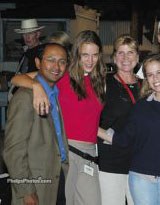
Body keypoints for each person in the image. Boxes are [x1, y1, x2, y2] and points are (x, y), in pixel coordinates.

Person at [10, 30, 106, 205]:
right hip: (66, 151)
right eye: (85, 54)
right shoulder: (62, 75)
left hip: (90, 154)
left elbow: (90, 120)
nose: (90, 60)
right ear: (77, 54)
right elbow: (16, 79)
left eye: (95, 55)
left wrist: (113, 137)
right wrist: (36, 87)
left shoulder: (99, 80)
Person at [98, 54, 160, 205]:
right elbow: (125, 139)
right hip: (140, 178)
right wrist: (93, 128)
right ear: (146, 79)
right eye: (150, 75)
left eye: (159, 72)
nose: (155, 78)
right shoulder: (141, 106)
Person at [3, 43, 69, 205]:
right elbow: (13, 150)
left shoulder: (55, 94)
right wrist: (26, 191)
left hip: (57, 176)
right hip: (35, 183)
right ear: (38, 63)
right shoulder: (25, 97)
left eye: (62, 61)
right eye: (51, 60)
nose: (56, 66)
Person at [97, 34, 141, 205]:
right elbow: (86, 118)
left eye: (130, 53)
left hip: (139, 163)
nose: (125, 58)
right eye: (120, 53)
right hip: (110, 161)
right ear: (114, 58)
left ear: (137, 58)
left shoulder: (146, 85)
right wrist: (111, 137)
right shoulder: (103, 83)